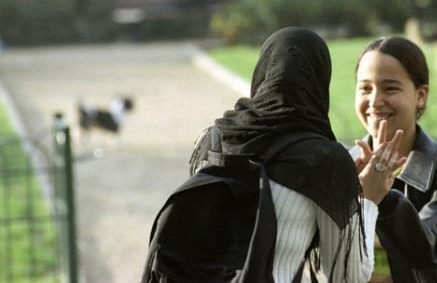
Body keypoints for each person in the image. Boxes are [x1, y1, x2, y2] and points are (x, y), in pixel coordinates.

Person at [142, 27, 402, 282]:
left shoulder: (212, 139)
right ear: (320, 81)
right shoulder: (326, 160)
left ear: (263, 72)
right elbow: (348, 274)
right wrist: (367, 197)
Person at [350, 36, 437, 283]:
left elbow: (431, 250)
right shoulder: (342, 167)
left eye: (390, 88)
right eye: (365, 88)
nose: (374, 101)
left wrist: (380, 198)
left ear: (420, 95)